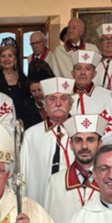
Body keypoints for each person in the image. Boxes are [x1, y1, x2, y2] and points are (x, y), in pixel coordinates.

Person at [44, 113, 105, 223]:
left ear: (99, 144)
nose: (84, 146)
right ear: (71, 145)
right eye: (78, 140)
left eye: (90, 140)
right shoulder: (55, 182)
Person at [21, 77, 74, 206]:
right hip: (40, 199)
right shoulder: (31, 135)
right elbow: (23, 173)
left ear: (70, 105)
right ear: (45, 106)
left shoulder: (81, 133)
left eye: (63, 99)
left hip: (73, 200)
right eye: (52, 99)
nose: (58, 103)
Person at [70, 48, 112, 135]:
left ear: (94, 74)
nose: (83, 72)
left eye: (88, 69)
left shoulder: (108, 96)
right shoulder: (63, 96)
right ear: (73, 73)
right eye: (78, 68)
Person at [0, 41, 29, 122]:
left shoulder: (23, 79)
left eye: (10, 56)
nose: (6, 59)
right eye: (3, 56)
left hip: (21, 119)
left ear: (15, 59)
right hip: (1, 119)